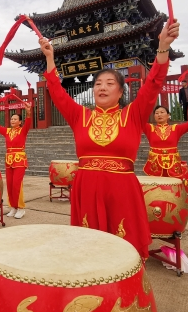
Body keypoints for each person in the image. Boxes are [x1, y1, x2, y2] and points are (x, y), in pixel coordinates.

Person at [39, 20, 180, 259]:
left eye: (109, 83)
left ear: (120, 91)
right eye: (98, 84)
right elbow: (57, 92)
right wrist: (50, 58)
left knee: (123, 254)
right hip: (87, 188)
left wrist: (163, 46)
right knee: (89, 253)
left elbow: (154, 82)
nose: (102, 87)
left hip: (122, 190)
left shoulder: (132, 115)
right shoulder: (80, 115)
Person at [143, 98, 188, 178]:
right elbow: (137, 119)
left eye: (162, 112)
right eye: (156, 113)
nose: (159, 115)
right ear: (154, 116)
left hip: (173, 165)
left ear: (168, 115)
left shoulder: (175, 128)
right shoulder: (150, 129)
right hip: (154, 166)